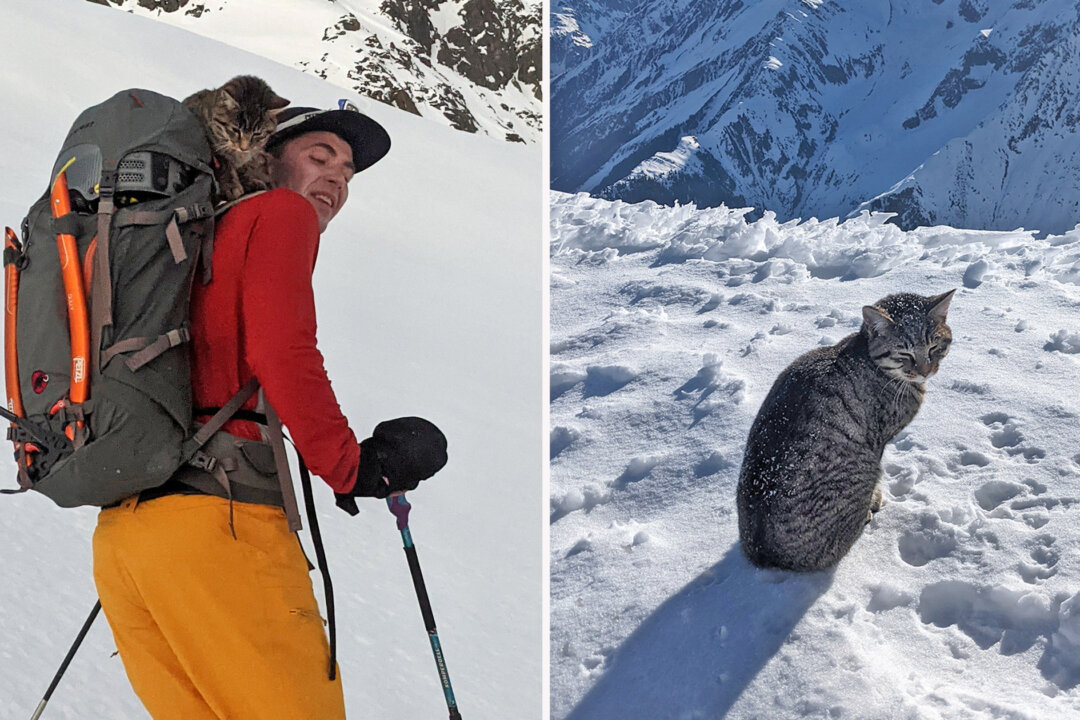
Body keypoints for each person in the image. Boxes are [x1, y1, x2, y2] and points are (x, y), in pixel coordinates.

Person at [91, 103, 448, 719]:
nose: (337, 178)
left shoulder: (191, 242)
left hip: (127, 538)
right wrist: (351, 466)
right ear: (264, 158)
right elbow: (283, 349)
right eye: (318, 156)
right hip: (222, 526)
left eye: (348, 173)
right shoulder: (277, 213)